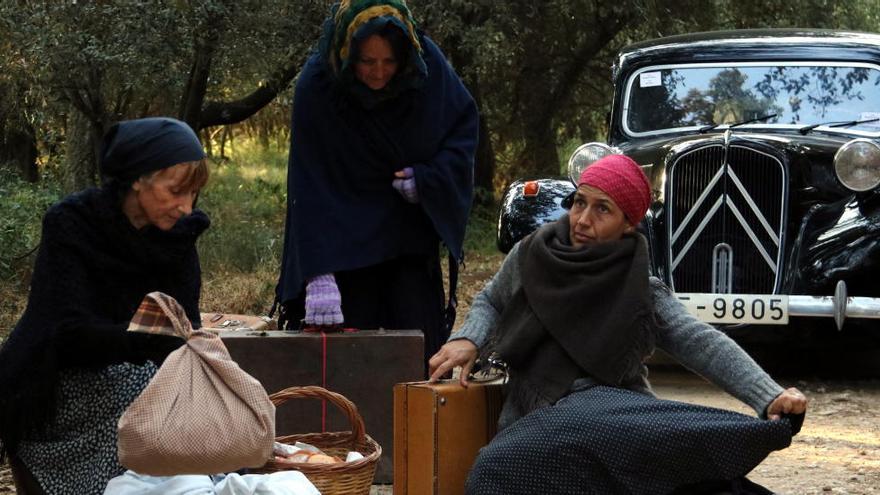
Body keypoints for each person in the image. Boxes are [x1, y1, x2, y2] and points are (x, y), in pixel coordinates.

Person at [428, 154, 808, 495]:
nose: (582, 219)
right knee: (495, 471)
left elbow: (700, 341)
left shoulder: (640, 287)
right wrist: (469, 338)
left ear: (629, 224)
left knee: (695, 474)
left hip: (614, 414)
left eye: (602, 210)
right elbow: (492, 299)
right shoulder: (530, 253)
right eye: (579, 203)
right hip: (538, 415)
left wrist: (768, 395)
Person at [0, 117, 211, 495]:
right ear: (137, 178)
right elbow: (66, 331)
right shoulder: (73, 224)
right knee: (143, 393)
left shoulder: (180, 236)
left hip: (139, 377)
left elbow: (185, 328)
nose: (185, 207)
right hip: (56, 382)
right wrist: (143, 341)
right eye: (176, 191)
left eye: (193, 194)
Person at [273, 0, 479, 366]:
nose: (379, 73)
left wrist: (429, 180)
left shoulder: (427, 69)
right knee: (346, 368)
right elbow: (308, 182)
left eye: (389, 62)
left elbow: (462, 130)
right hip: (342, 251)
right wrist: (317, 273)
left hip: (408, 241)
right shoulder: (319, 84)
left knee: (415, 358)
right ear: (347, 54)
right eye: (367, 62)